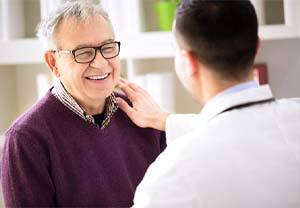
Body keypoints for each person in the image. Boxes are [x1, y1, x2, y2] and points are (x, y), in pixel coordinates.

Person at [118, 0, 300, 207]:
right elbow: (242, 128)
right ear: (257, 47)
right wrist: (166, 120)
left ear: (189, 62)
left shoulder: (173, 174)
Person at [0, 1, 166, 207]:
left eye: (107, 47)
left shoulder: (144, 116)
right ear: (53, 63)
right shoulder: (25, 139)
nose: (100, 62)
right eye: (84, 52)